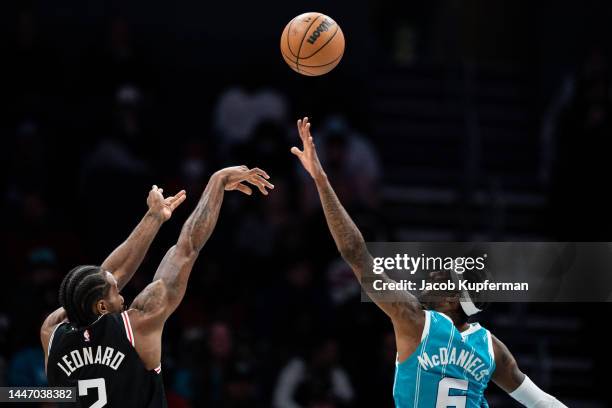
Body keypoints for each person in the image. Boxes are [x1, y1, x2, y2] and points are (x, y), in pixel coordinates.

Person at [290, 116, 567, 407]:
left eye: (443, 276)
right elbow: (543, 403)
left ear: (454, 296)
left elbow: (355, 253)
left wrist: (321, 181)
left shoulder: (414, 319)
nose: (434, 273)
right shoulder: (492, 348)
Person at [40, 166, 273, 407]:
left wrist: (153, 218)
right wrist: (217, 182)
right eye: (116, 291)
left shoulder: (52, 332)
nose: (121, 297)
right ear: (100, 306)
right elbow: (186, 249)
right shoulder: (137, 326)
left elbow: (104, 279)